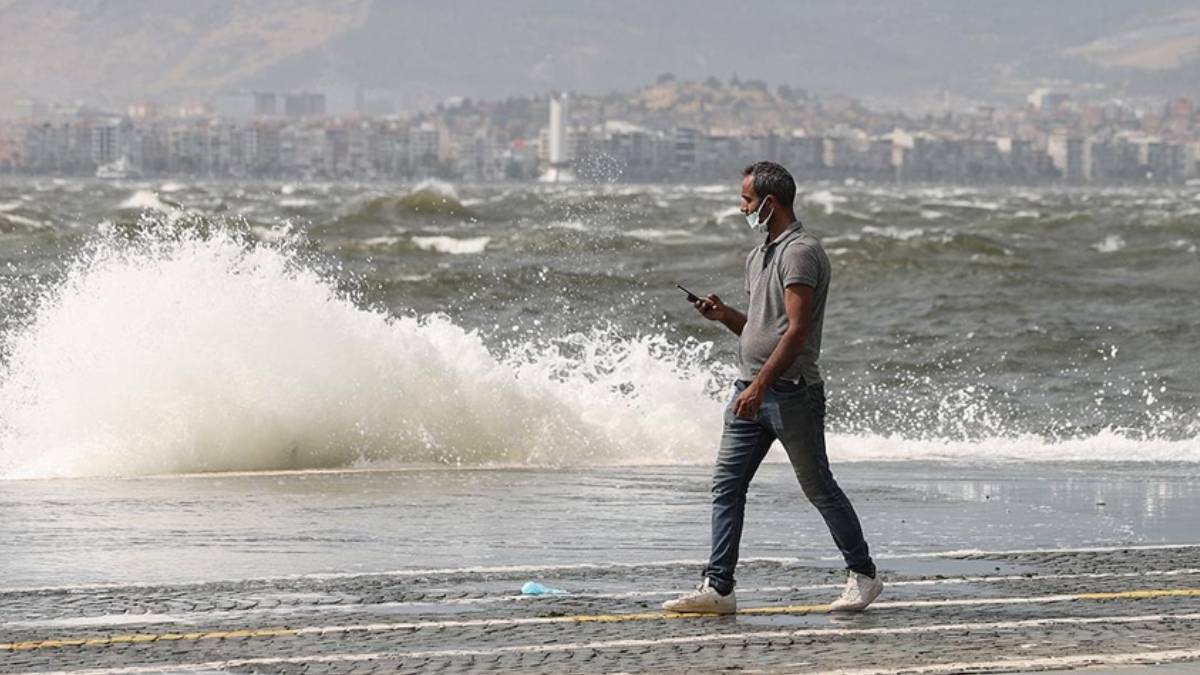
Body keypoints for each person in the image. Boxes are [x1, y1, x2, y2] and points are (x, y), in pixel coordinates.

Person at [663, 161, 882, 614]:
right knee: (726, 486)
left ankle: (863, 575)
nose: (740, 207)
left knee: (818, 486)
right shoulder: (759, 254)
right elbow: (762, 327)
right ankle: (719, 588)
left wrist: (761, 386)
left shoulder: (800, 253)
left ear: (769, 203)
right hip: (751, 391)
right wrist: (725, 317)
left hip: (789, 392)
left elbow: (797, 331)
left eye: (746, 200)